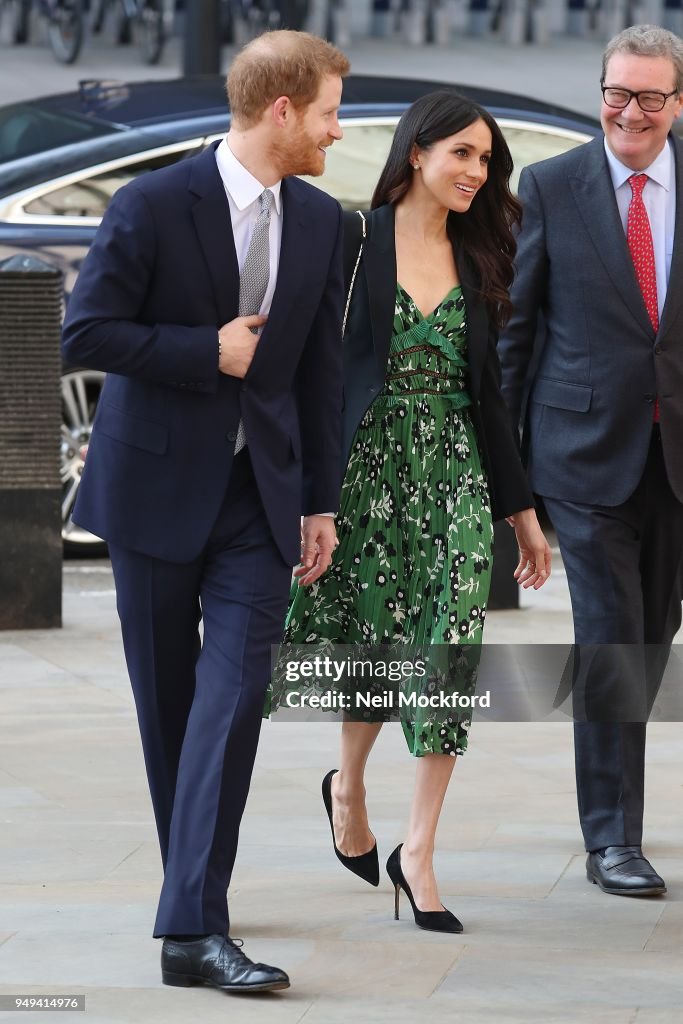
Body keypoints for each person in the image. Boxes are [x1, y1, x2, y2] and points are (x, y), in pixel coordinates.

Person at [61, 30, 350, 993]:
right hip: (151, 495)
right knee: (172, 717)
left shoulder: (321, 222)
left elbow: (317, 370)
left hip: (258, 502)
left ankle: (192, 927)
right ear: (280, 111)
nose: (334, 132)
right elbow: (85, 332)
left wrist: (319, 500)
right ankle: (198, 890)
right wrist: (204, 351)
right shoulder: (152, 203)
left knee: (230, 706)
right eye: (326, 113)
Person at [273, 90, 551, 933]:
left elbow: (489, 396)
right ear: (417, 151)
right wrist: (302, 492)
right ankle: (348, 785)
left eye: (485, 160)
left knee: (446, 650)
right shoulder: (351, 240)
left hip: (455, 474)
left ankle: (419, 852)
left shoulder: (479, 256)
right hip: (363, 470)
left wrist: (521, 513)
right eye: (462, 153)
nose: (476, 172)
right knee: (374, 636)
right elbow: (310, 368)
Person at [498, 24, 683, 898]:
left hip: (674, 462)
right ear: (598, 92)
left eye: (651, 96)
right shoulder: (550, 187)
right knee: (611, 633)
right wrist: (507, 473)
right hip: (581, 457)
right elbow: (516, 332)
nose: (631, 111)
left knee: (648, 636)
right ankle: (612, 836)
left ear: (677, 104)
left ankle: (619, 805)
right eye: (618, 92)